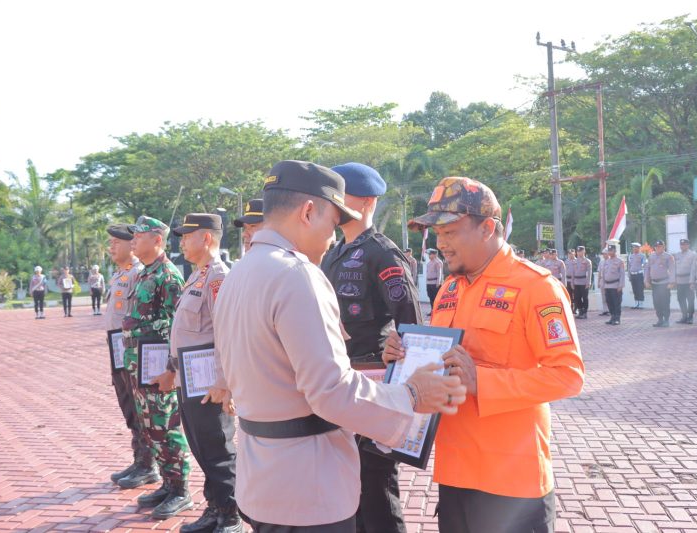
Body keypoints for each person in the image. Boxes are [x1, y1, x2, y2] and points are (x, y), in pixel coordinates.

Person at [213, 160, 466, 532]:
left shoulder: (240, 273)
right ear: (309, 211)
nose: (333, 237)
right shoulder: (296, 275)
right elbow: (331, 391)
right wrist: (411, 395)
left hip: (264, 476)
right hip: (309, 486)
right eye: (333, 223)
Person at [395, 176, 584, 532]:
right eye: (436, 234)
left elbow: (568, 376)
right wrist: (404, 355)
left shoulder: (536, 287)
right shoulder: (450, 287)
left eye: (450, 231)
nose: (440, 243)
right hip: (454, 470)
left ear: (486, 228)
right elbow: (441, 362)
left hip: (511, 482)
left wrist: (481, 380)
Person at [321, 162, 421, 533]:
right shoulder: (333, 253)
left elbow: (413, 328)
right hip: (340, 382)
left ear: (365, 202)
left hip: (373, 382)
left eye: (339, 194)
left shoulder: (383, 253)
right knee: (349, 484)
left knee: (376, 485)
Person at [166, 213, 242, 533]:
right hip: (190, 377)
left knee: (218, 449)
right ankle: (215, 508)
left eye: (187, 235)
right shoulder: (197, 276)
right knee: (201, 446)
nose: (181, 241)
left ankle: (232, 515)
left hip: (210, 380)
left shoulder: (218, 278)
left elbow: (226, 333)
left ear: (206, 238)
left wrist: (224, 381)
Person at [119, 216, 192, 520]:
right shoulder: (143, 273)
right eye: (132, 236)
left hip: (158, 366)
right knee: (151, 428)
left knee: (166, 427)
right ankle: (167, 483)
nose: (133, 241)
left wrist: (172, 370)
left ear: (157, 240)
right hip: (138, 364)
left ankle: (181, 491)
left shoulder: (168, 275)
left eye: (139, 236)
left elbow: (179, 326)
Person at [103, 224, 151, 486]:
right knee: (128, 406)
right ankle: (139, 460)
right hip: (117, 349)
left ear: (130, 244)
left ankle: (148, 464)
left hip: (130, 350)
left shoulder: (137, 273)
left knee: (138, 406)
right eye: (110, 242)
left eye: (115, 243)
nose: (111, 247)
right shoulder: (119, 273)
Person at [644, 240, 675, 327]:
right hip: (655, 284)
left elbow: (672, 270)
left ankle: (666, 320)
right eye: (657, 247)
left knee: (665, 302)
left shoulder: (668, 257)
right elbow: (647, 269)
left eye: (660, 246)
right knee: (656, 303)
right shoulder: (651, 256)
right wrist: (646, 281)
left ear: (663, 247)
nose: (658, 248)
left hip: (664, 283)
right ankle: (660, 319)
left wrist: (672, 282)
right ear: (654, 248)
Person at [600, 245, 625, 325]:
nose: (610, 252)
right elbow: (603, 274)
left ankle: (617, 318)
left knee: (616, 303)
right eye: (609, 251)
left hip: (615, 285)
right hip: (607, 285)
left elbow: (622, 274)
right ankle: (612, 317)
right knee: (609, 302)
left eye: (611, 251)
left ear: (615, 251)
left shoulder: (619, 261)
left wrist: (620, 285)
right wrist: (602, 285)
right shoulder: (606, 261)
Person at [674, 238, 696, 324]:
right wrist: (674, 280)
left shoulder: (692, 254)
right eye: (681, 245)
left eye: (685, 244)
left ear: (688, 245)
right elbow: (675, 268)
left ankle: (690, 317)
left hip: (688, 281)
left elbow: (694, 269)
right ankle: (684, 316)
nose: (683, 246)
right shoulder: (677, 255)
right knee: (680, 299)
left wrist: (692, 281)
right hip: (679, 281)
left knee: (690, 299)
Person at [571, 246, 592, 319]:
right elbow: (573, 273)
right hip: (576, 282)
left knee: (585, 298)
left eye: (581, 251)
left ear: (584, 251)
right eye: (578, 251)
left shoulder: (587, 261)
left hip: (584, 282)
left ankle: (585, 312)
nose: (579, 253)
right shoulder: (574, 261)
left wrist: (588, 282)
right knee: (577, 298)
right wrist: (572, 282)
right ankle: (580, 311)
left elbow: (589, 273)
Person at [628, 243, 646, 309]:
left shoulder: (642, 255)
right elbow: (629, 266)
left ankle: (641, 303)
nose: (634, 248)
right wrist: (629, 275)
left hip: (639, 274)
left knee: (640, 289)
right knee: (634, 289)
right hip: (633, 274)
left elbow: (644, 264)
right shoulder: (631, 256)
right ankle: (636, 303)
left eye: (636, 247)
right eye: (633, 247)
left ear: (639, 248)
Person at [597, 249, 610, 316]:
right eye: (603, 254)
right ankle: (605, 310)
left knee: (609, 296)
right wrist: (598, 282)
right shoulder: (601, 262)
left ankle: (609, 310)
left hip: (609, 281)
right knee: (603, 296)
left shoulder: (611, 261)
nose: (604, 255)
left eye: (606, 253)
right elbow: (599, 272)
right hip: (602, 280)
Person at [565, 248, 576, 314]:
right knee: (569, 295)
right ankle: (570, 308)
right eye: (569, 254)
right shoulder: (566, 261)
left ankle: (576, 308)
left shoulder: (577, 261)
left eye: (571, 254)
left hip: (575, 280)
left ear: (574, 253)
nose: (570, 255)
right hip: (568, 280)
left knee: (576, 295)